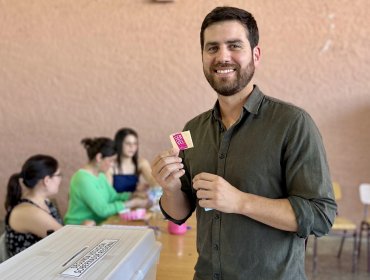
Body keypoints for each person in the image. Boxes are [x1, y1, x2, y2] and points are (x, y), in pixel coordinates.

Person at [151, 6, 337, 280]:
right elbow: (180, 212)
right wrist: (170, 189)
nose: (222, 56)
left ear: (256, 54)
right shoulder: (192, 130)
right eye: (212, 48)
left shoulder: (293, 123)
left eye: (234, 45)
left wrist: (239, 202)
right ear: (203, 57)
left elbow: (320, 216)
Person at [64, 137, 149, 225]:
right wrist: (132, 203)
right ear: (99, 157)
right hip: (80, 227)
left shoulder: (100, 175)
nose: (112, 165)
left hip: (101, 224)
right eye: (111, 161)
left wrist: (132, 195)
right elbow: (103, 210)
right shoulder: (82, 179)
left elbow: (113, 197)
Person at [4, 155, 63, 257]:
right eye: (59, 175)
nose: (60, 179)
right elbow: (66, 239)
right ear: (47, 180)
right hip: (29, 270)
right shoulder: (29, 212)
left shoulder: (44, 201)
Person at [109, 128, 157, 193]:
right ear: (119, 144)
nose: (132, 147)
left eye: (135, 143)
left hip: (136, 201)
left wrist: (149, 187)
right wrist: (135, 192)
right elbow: (108, 195)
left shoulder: (141, 163)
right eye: (128, 143)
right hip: (117, 202)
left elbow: (154, 183)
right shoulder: (110, 165)